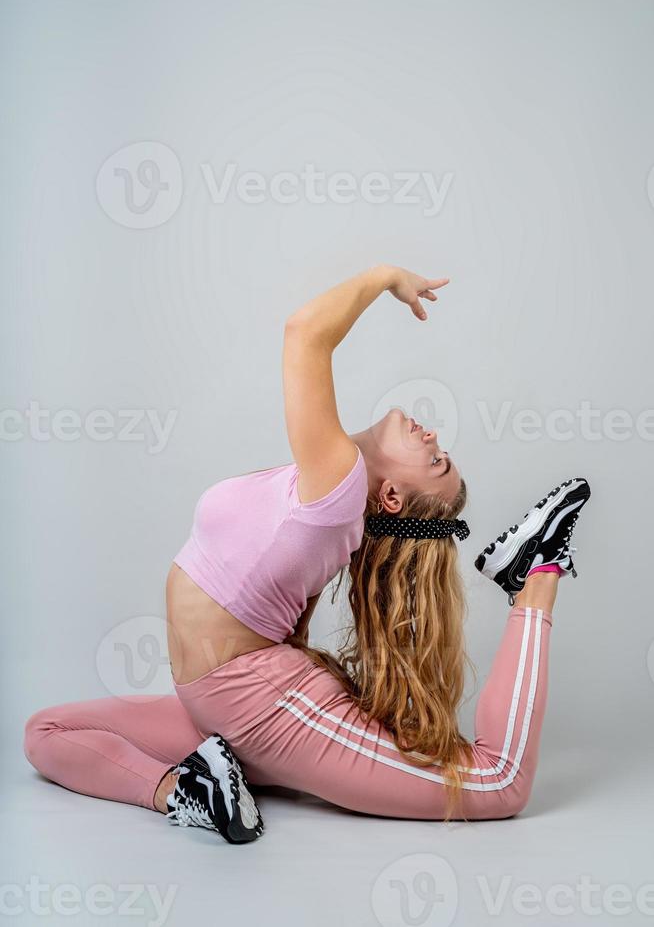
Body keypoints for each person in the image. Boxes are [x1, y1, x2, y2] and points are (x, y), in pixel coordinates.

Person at [24, 265, 591, 844]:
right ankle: (190, 791)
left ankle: (537, 571)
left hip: (258, 702)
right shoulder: (328, 502)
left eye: (437, 460)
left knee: (499, 782)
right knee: (48, 731)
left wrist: (385, 275)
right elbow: (280, 603)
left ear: (390, 496)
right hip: (217, 705)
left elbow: (305, 333)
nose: (432, 438)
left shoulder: (340, 485)